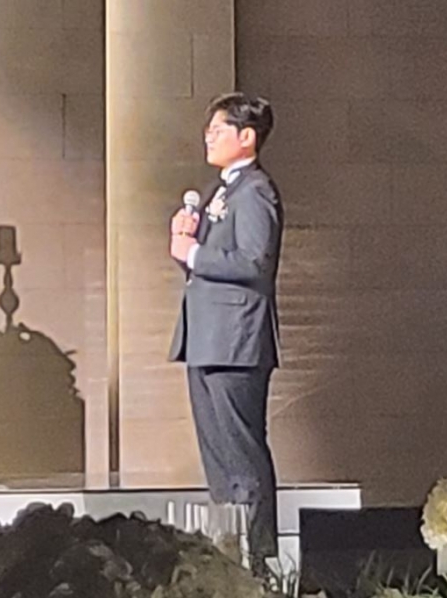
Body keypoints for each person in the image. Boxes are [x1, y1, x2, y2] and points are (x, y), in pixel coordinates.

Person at [168, 92, 284, 574]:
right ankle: (230, 557)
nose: (208, 137)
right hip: (208, 338)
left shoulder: (255, 191)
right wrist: (187, 244)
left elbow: (255, 262)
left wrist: (195, 254)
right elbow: (214, 265)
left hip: (236, 341)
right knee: (218, 459)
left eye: (218, 130)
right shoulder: (222, 190)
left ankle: (258, 561)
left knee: (241, 455)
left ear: (246, 136)